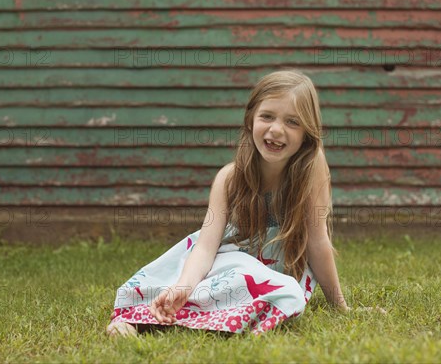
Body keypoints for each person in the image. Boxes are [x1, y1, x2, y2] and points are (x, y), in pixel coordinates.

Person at [107, 69, 349, 337]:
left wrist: (339, 306)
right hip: (223, 264)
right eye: (267, 116)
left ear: (307, 132)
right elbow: (205, 248)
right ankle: (135, 319)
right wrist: (185, 285)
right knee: (171, 284)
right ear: (250, 120)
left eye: (293, 122)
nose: (276, 129)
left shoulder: (312, 171)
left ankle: (192, 318)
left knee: (287, 292)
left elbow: (317, 242)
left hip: (267, 277)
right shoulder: (230, 178)